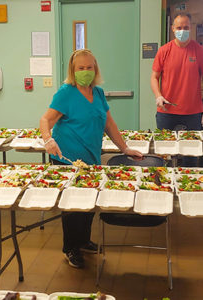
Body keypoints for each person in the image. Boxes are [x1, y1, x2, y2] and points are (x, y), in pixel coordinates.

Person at [39, 49, 142, 268]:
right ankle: (70, 248)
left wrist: (124, 148)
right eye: (81, 68)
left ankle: (83, 240)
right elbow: (45, 120)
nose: (85, 72)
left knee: (88, 204)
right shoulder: (66, 93)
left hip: (91, 159)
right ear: (73, 71)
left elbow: (109, 124)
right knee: (73, 208)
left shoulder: (99, 93)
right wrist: (48, 139)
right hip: (66, 159)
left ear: (95, 69)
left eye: (89, 67)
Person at [151, 13, 203, 166]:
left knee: (191, 157)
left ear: (190, 28)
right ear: (173, 29)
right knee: (165, 156)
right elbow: (154, 77)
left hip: (192, 114)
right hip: (166, 112)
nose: (182, 30)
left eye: (186, 27)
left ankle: (189, 188)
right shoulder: (164, 51)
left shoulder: (199, 50)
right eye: (179, 27)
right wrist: (158, 95)